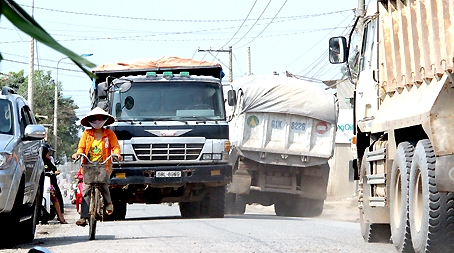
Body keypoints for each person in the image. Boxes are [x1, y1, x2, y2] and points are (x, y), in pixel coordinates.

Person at [72, 107, 122, 227]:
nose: (97, 121)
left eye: (100, 118)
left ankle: (108, 203)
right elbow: (81, 148)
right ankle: (84, 216)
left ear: (104, 120)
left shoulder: (109, 134)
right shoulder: (87, 134)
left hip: (104, 163)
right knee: (86, 189)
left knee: (104, 184)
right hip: (88, 164)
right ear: (90, 120)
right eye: (95, 119)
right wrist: (77, 154)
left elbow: (115, 147)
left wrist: (117, 154)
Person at [42, 143, 65, 215]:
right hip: (41, 183)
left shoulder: (49, 161)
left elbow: (56, 170)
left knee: (56, 195)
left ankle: (60, 214)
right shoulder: (39, 162)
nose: (48, 155)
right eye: (47, 153)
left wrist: (54, 173)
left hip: (51, 183)